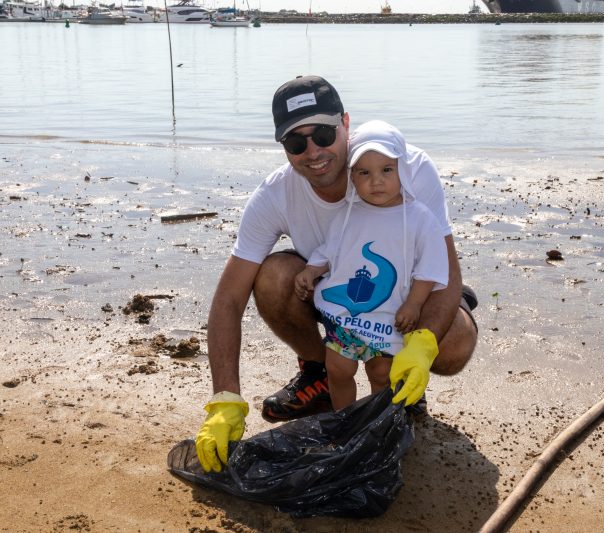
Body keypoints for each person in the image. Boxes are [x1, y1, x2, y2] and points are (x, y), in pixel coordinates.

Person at [195, 75, 478, 473]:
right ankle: (320, 377)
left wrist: (423, 341)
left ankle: (405, 382)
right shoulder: (275, 194)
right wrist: (225, 398)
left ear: (346, 124)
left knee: (452, 349)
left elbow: (445, 268)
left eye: (324, 134)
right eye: (296, 142)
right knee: (274, 275)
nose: (313, 152)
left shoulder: (405, 166)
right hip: (341, 302)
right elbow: (228, 298)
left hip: (410, 296)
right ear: (284, 148)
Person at [294, 120, 449, 411]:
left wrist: (414, 305)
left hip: (390, 316)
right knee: (338, 368)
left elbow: (429, 269)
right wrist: (312, 270)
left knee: (381, 373)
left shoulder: (419, 218)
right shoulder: (349, 214)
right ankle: (343, 422)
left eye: (386, 170)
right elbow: (330, 250)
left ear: (402, 169)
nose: (376, 181)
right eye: (364, 172)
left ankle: (381, 420)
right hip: (347, 316)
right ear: (352, 176)